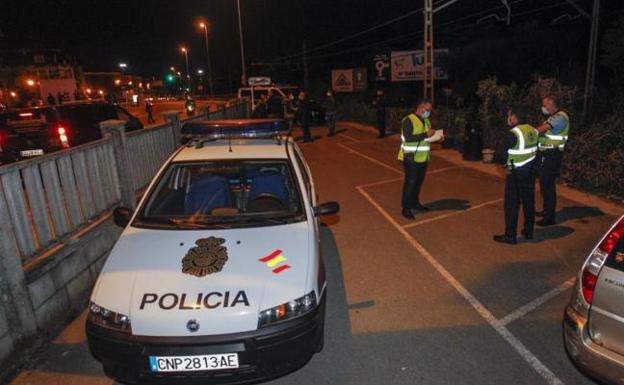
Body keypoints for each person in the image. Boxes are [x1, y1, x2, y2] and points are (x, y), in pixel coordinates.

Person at [493, 105, 539, 245]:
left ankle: (510, 235)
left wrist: (508, 167)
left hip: (515, 173)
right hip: (530, 172)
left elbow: (499, 156)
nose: (508, 118)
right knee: (529, 201)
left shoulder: (513, 133)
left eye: (509, 115)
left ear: (514, 117)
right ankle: (528, 231)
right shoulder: (533, 130)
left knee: (512, 204)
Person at [398, 99, 438, 219]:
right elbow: (408, 137)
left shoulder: (426, 121)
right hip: (411, 157)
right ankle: (406, 208)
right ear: (421, 108)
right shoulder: (408, 120)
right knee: (410, 183)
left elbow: (427, 138)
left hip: (423, 157)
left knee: (418, 183)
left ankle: (415, 203)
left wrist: (437, 137)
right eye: (428, 109)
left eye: (430, 110)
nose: (429, 112)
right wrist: (426, 135)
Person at [534, 95, 570, 226]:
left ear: (552, 103)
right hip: (547, 154)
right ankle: (546, 211)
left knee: (548, 185)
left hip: (552, 155)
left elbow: (543, 129)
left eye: (545, 105)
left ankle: (549, 217)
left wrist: (529, 132)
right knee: (544, 184)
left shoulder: (560, 117)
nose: (543, 107)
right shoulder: (552, 117)